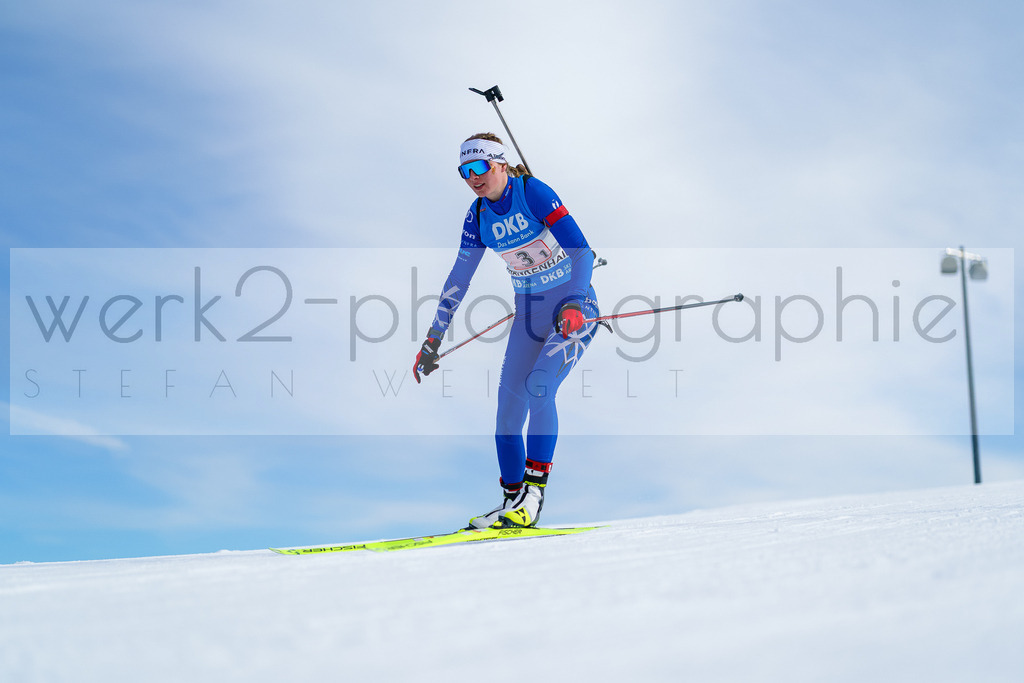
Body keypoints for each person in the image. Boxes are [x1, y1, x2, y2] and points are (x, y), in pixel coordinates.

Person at [414, 133, 600, 529]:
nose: (472, 177)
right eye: (464, 171)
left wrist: (573, 302)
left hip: (575, 308)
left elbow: (583, 252)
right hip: (530, 316)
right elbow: (458, 279)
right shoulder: (478, 216)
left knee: (539, 386)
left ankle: (533, 495)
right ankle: (511, 500)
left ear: (500, 163)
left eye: (479, 167)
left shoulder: (532, 192)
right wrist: (433, 338)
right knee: (507, 415)